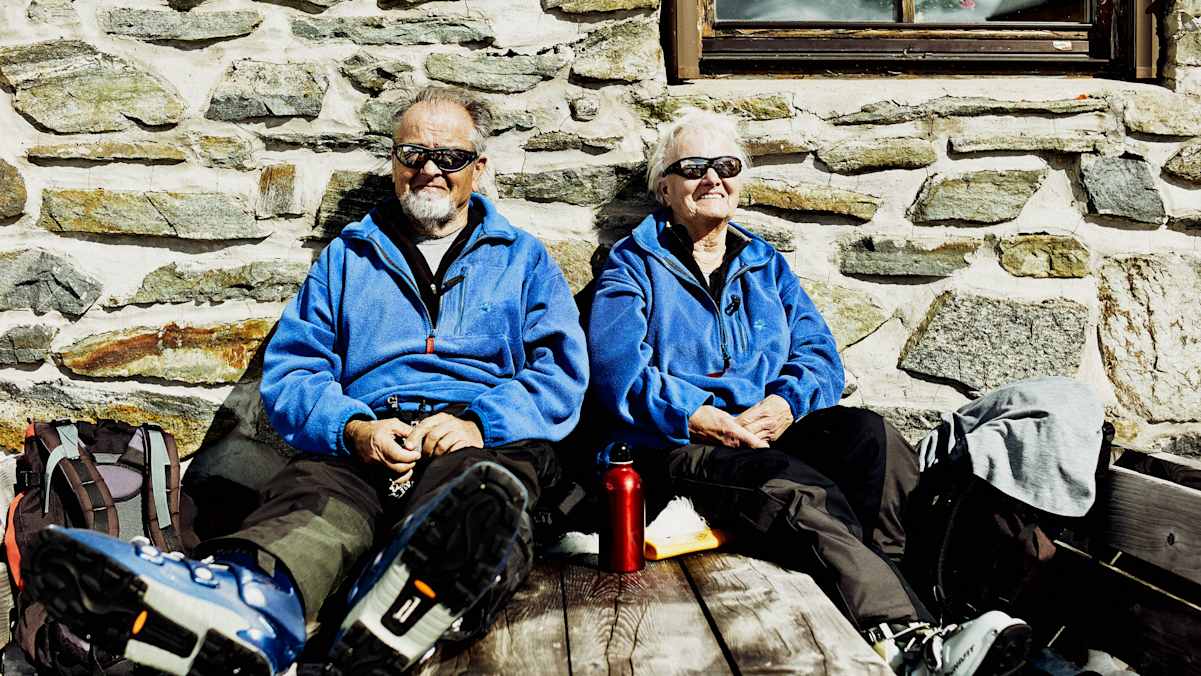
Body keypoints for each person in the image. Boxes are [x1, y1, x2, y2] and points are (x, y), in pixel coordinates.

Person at [21, 86, 589, 676]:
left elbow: (560, 375)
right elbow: (294, 371)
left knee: (473, 507)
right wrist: (354, 427)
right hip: (366, 438)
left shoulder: (524, 259)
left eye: (448, 157)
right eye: (412, 153)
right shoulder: (348, 257)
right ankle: (248, 605)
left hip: (477, 441)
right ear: (393, 162)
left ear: (478, 167)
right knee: (313, 509)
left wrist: (478, 422)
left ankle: (412, 607)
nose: (428, 169)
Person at [586, 107, 1031, 676]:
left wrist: (786, 403)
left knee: (874, 439)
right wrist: (698, 415)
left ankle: (920, 610)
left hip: (769, 431)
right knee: (792, 489)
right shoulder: (632, 264)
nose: (712, 179)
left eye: (726, 165)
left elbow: (818, 355)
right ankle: (904, 637)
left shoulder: (763, 263)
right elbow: (617, 371)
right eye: (694, 167)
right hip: (677, 445)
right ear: (665, 188)